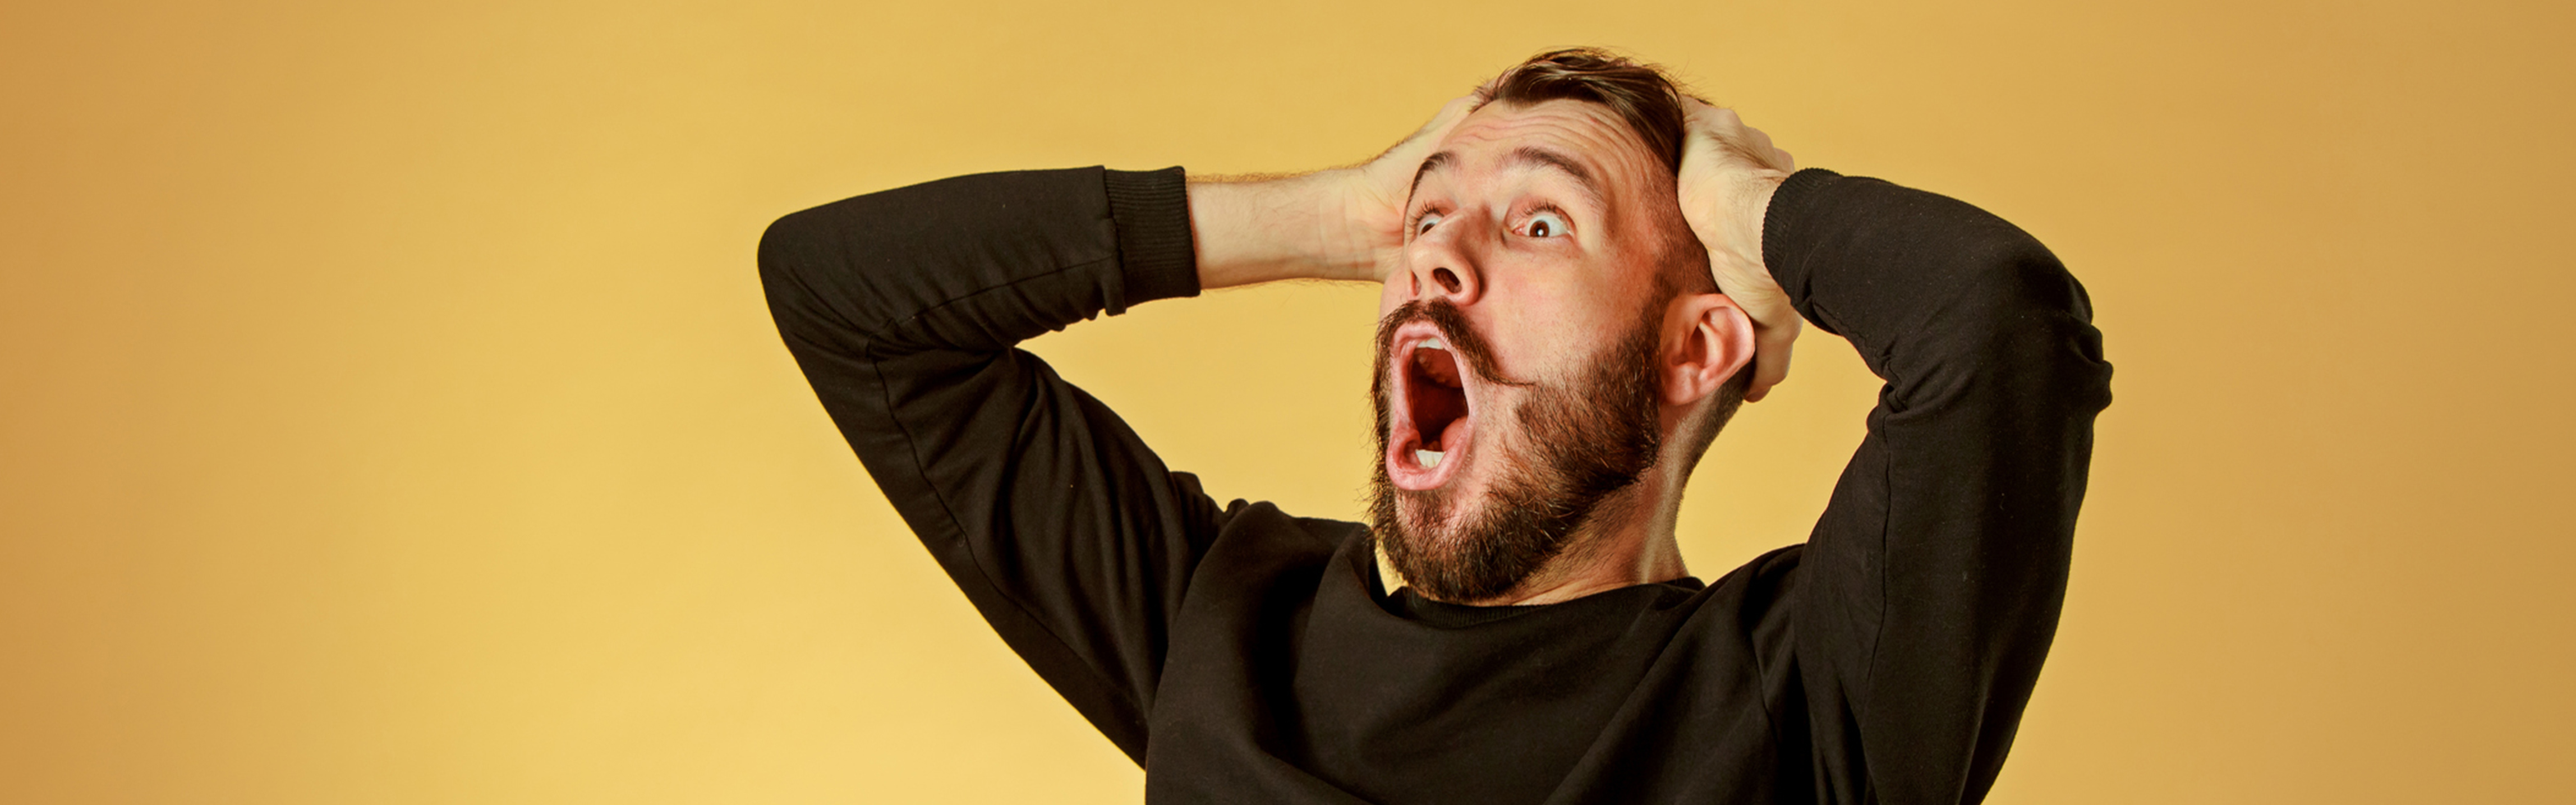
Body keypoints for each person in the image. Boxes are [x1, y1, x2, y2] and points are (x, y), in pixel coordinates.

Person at [760, 47, 2111, 804]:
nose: (1438, 261)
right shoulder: (1222, 627)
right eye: (1426, 219)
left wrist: (1747, 204)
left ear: (1698, 348)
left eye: (1539, 224)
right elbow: (847, 294)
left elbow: (1996, 325)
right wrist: (1345, 211)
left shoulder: (1807, 701)